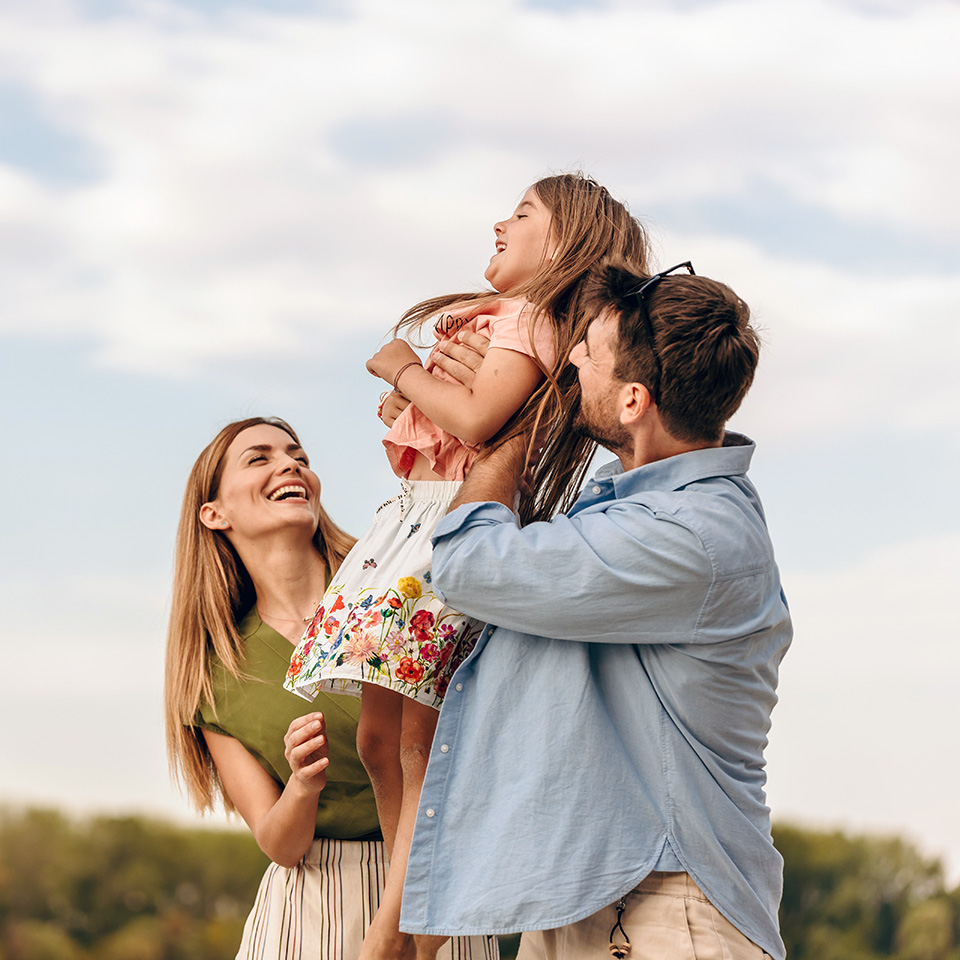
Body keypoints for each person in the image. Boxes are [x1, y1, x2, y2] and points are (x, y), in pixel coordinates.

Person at [285, 174, 650, 960]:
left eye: (521, 214)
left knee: (416, 743)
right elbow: (467, 426)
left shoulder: (528, 319)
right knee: (380, 742)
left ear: (564, 243)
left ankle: (396, 934)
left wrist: (402, 372)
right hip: (414, 525)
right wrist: (418, 410)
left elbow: (483, 420)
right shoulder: (506, 323)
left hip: (443, 534)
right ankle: (408, 914)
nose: (499, 223)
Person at [400, 264, 793, 960]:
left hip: (670, 908)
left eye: (589, 352)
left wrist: (511, 431)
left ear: (635, 399)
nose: (569, 359)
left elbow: (470, 565)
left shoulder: (687, 536)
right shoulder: (632, 506)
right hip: (594, 893)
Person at [163, 416, 497, 960]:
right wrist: (301, 784)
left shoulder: (397, 585)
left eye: (298, 456)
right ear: (214, 513)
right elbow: (278, 844)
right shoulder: (212, 676)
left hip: (430, 883)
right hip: (310, 908)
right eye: (259, 458)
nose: (290, 464)